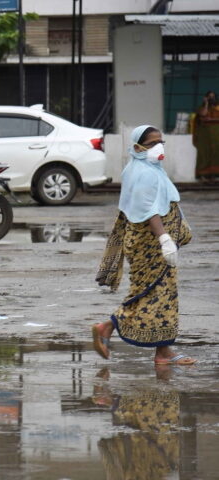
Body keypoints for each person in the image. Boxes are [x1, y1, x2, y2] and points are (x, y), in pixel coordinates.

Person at [93, 125, 195, 365]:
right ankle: (106, 327)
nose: (159, 147)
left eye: (161, 142)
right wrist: (164, 239)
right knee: (148, 294)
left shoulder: (148, 167)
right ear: (138, 147)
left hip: (153, 245)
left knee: (164, 296)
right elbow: (150, 211)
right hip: (150, 245)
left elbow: (165, 200)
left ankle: (163, 352)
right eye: (152, 143)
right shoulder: (143, 172)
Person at [193, 90, 219, 180]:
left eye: (213, 97)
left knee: (216, 153)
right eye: (209, 97)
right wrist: (206, 104)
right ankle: (203, 174)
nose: (211, 99)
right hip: (204, 137)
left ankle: (215, 174)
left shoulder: (218, 108)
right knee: (204, 154)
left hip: (216, 136)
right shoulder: (202, 108)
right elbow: (203, 114)